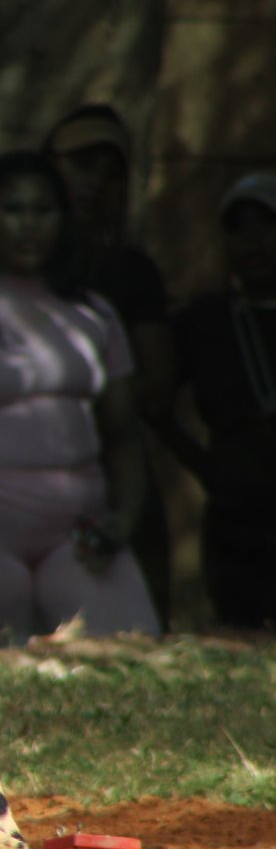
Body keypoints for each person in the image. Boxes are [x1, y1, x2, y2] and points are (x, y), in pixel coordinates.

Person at [0, 152, 161, 644]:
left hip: (79, 538)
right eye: (14, 209)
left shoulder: (94, 313)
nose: (29, 225)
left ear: (63, 220)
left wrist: (123, 521)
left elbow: (125, 433)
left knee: (131, 652)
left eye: (43, 210)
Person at [42, 104, 175, 623]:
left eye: (111, 172)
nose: (95, 184)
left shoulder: (129, 270)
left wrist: (80, 391)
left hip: (113, 473)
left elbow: (157, 383)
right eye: (82, 165)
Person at [153, 173, 276, 632]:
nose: (253, 240)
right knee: (243, 629)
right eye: (237, 227)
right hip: (238, 512)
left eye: (266, 223)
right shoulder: (206, 320)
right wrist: (207, 467)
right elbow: (154, 402)